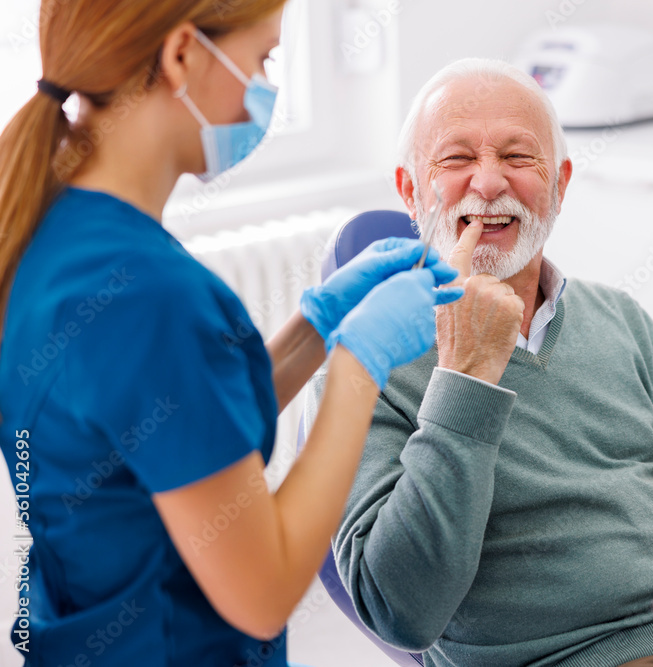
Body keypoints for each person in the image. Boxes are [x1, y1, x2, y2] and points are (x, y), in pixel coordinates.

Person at [0, 1, 462, 664]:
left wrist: (316, 326)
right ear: (182, 54)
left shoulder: (56, 233)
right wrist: (361, 367)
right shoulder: (149, 296)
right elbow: (263, 590)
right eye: (262, 59)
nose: (266, 86)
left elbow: (175, 431)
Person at [304, 58, 653, 667]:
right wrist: (465, 377)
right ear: (410, 191)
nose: (488, 183)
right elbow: (400, 610)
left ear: (560, 185)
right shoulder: (362, 374)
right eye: (456, 159)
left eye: (518, 157)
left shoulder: (620, 319)